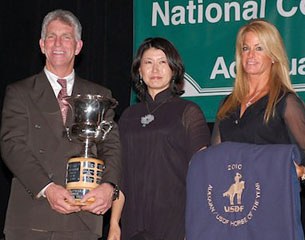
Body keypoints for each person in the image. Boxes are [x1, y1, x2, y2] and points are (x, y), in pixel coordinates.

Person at [0, 9, 121, 240]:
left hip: (83, 217)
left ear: (78, 46)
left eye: (66, 37)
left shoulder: (100, 95)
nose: (58, 43)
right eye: (51, 37)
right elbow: (12, 146)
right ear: (42, 44)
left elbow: (112, 147)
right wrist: (48, 188)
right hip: (32, 217)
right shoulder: (19, 93)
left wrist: (109, 187)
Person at [108, 37, 210, 240]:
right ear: (139, 71)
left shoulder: (189, 112)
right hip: (133, 222)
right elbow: (121, 175)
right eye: (148, 62)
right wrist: (113, 224)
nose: (155, 69)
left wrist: (195, 226)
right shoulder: (128, 116)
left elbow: (203, 173)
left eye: (162, 62)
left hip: (176, 222)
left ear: (174, 69)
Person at [211, 19, 305, 232]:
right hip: (233, 212)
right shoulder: (227, 104)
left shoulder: (286, 102)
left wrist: (299, 172)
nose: (250, 54)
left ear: (273, 55)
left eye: (259, 48)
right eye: (246, 48)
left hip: (274, 208)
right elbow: (214, 157)